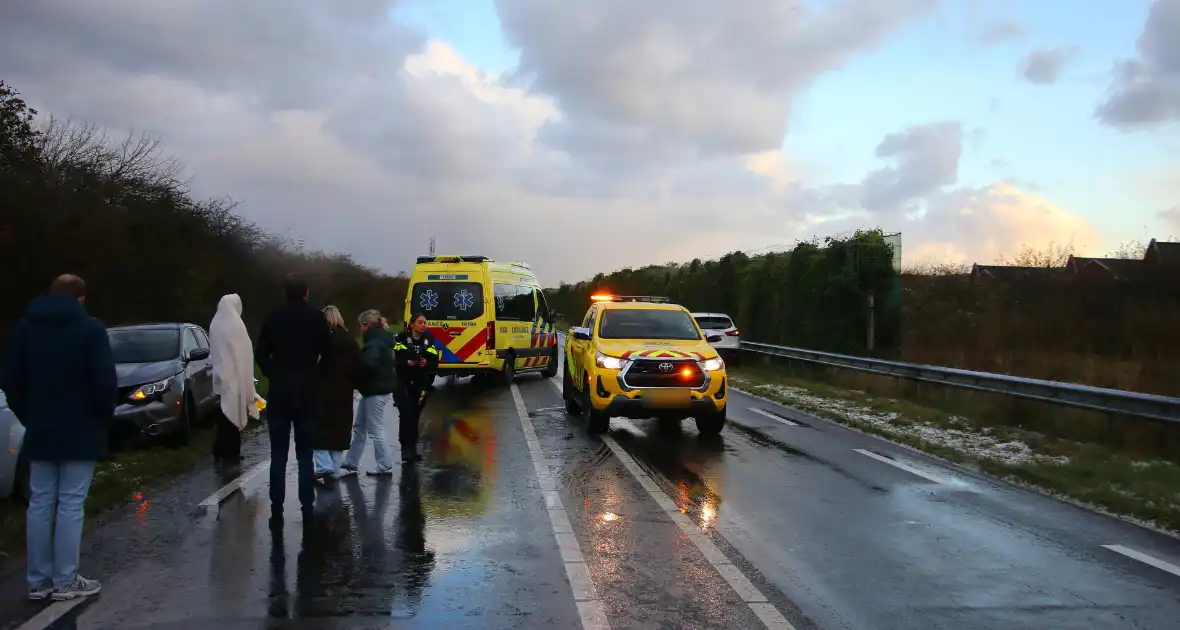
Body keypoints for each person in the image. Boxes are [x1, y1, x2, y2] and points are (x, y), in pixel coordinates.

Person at [0, 275, 115, 601]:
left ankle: (38, 580)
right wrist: (100, 418)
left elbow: (10, 380)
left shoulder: (25, 329)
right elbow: (104, 383)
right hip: (80, 429)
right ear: (80, 298)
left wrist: (29, 417)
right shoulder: (91, 329)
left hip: (40, 429)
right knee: (71, 503)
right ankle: (65, 579)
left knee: (39, 502)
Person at [255, 273, 333, 523]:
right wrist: (316, 376)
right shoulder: (316, 318)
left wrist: (273, 373)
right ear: (306, 292)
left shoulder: (273, 317)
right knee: (305, 453)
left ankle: (276, 504)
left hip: (279, 392)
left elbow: (261, 353)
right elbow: (329, 355)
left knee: (278, 453)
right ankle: (306, 502)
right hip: (307, 393)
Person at [339, 309, 396, 476]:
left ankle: (384, 464)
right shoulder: (382, 340)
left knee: (375, 428)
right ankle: (351, 462)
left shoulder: (374, 344)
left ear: (367, 325)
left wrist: (354, 372)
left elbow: (368, 366)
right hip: (376, 389)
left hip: (375, 390)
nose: (360, 329)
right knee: (360, 427)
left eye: (362, 325)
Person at [209, 294, 259, 468]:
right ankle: (231, 451)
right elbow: (243, 351)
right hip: (234, 375)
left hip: (221, 374)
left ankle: (221, 448)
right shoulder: (235, 324)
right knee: (232, 413)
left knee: (225, 414)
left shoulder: (215, 322)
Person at [314, 306, 364, 480]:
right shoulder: (349, 340)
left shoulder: (321, 339)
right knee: (339, 431)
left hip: (323, 390)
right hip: (344, 391)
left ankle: (323, 465)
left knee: (318, 429)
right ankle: (333, 469)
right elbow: (359, 366)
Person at [392, 313, 439, 463]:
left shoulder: (428, 340)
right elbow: (394, 358)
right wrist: (406, 362)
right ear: (412, 325)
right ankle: (405, 449)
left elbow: (434, 362)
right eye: (420, 322)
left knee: (415, 415)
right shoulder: (401, 338)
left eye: (425, 322)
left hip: (420, 383)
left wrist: (426, 363)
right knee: (405, 415)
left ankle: (413, 448)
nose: (424, 325)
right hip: (403, 383)